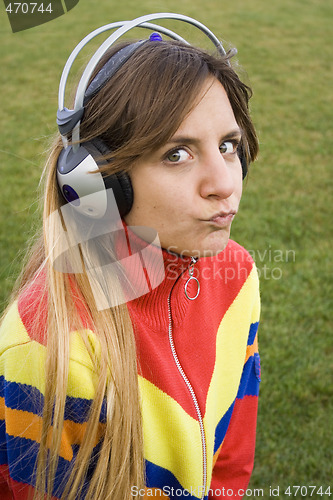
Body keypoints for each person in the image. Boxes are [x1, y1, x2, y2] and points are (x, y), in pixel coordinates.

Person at [0, 15, 260, 500]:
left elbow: (232, 454)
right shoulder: (47, 347)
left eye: (227, 146)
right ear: (96, 183)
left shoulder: (237, 273)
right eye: (177, 154)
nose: (224, 183)